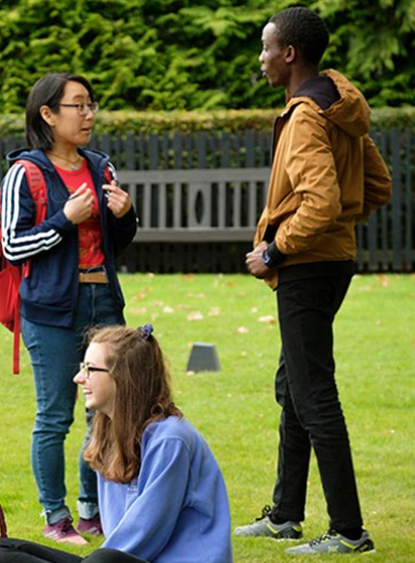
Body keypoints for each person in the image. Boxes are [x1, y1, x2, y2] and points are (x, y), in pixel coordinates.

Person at [238, 6, 392, 556]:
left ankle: (349, 531)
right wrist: (332, 229)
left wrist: (277, 248)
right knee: (294, 386)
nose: (260, 59)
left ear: (289, 53)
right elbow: (377, 186)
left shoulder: (306, 115)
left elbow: (323, 200)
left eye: (265, 47)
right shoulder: (339, 107)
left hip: (305, 266)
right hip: (332, 261)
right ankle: (284, 514)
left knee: (313, 394)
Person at [0, 72, 138, 544]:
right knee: (55, 415)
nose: (89, 114)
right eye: (78, 105)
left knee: (106, 411)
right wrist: (64, 219)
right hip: (51, 310)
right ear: (48, 114)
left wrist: (125, 216)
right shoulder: (26, 172)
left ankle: (91, 510)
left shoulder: (101, 167)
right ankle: (56, 517)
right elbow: (13, 246)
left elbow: (118, 244)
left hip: (104, 301)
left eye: (91, 104)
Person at [0, 324, 233, 563]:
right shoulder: (106, 431)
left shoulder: (171, 440)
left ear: (123, 377)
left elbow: (144, 537)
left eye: (90, 369)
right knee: (4, 551)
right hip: (119, 558)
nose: (78, 378)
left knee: (104, 558)